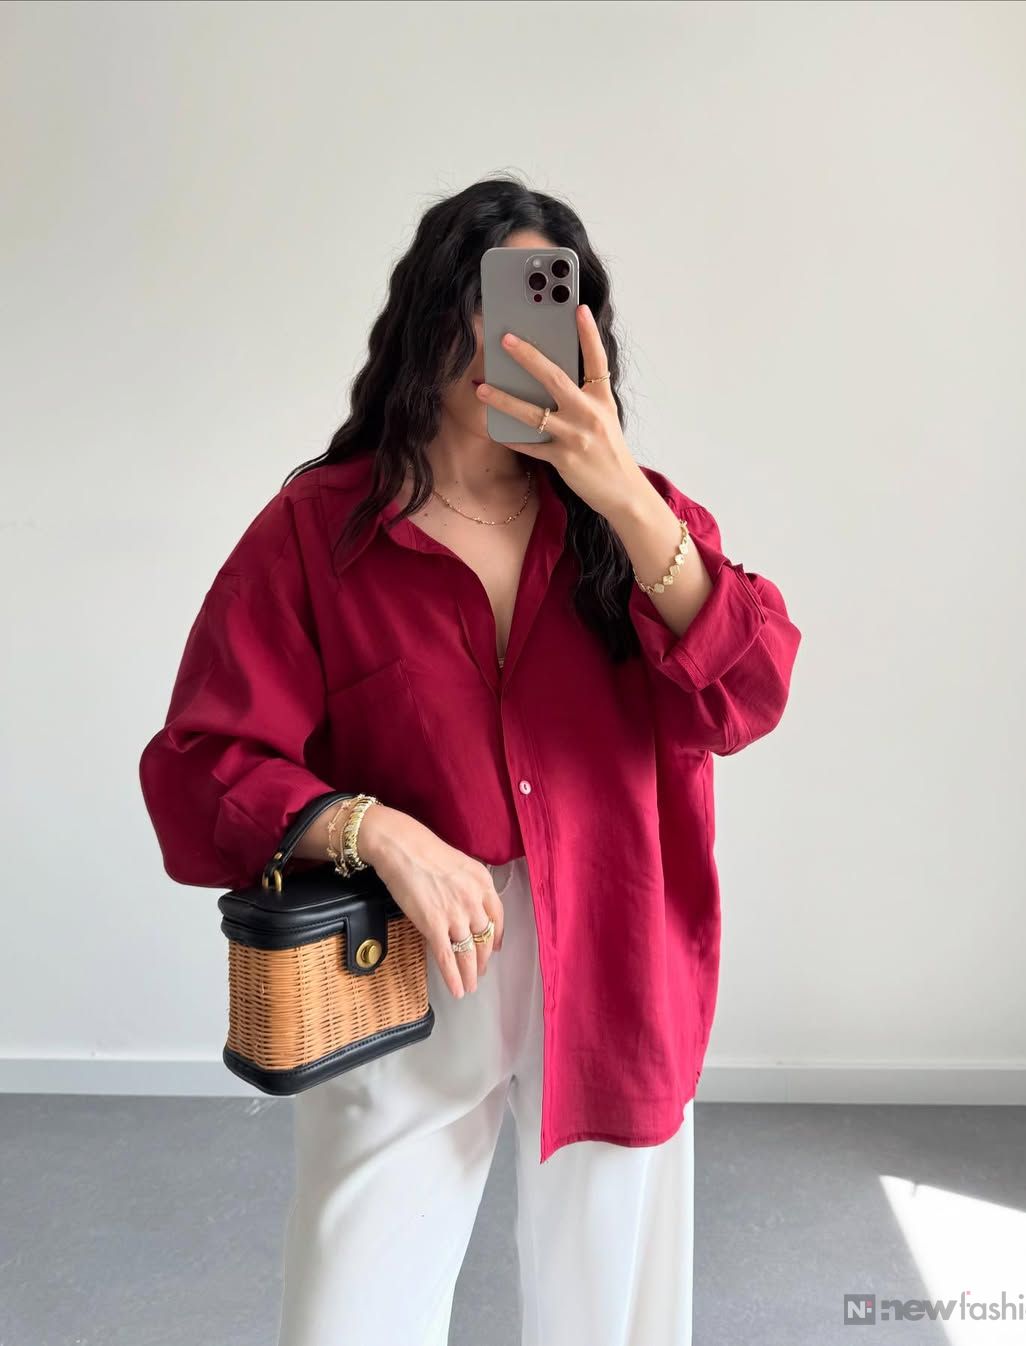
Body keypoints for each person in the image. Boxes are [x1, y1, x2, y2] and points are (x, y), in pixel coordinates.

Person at [138, 174, 802, 1346]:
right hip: (401, 955)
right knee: (348, 1312)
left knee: (612, 1316)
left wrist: (623, 494)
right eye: (493, 300)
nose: (518, 339)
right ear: (433, 314)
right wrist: (374, 827)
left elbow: (751, 692)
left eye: (550, 305)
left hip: (613, 940)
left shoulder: (634, 522)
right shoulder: (318, 533)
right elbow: (200, 759)